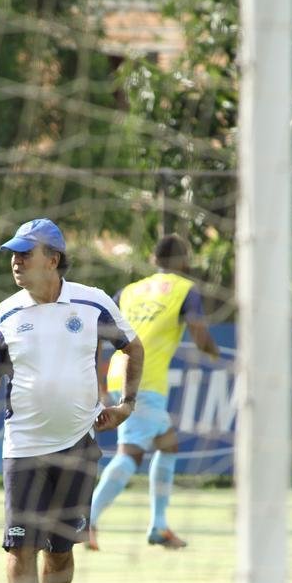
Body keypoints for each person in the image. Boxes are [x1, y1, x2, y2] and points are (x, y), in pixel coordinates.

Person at [0, 218, 144, 583]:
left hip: (78, 445)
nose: (16, 261)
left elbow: (133, 348)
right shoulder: (5, 313)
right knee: (19, 545)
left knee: (60, 551)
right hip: (22, 447)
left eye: (26, 253)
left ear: (54, 259)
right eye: (13, 253)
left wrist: (127, 405)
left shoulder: (92, 303)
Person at [88, 233, 220, 551]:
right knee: (130, 453)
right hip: (144, 380)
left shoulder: (129, 291)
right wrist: (217, 355)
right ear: (185, 262)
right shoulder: (186, 290)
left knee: (167, 444)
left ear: (152, 260)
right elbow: (200, 337)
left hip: (123, 373)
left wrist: (99, 381)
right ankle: (86, 520)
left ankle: (159, 526)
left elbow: (98, 334)